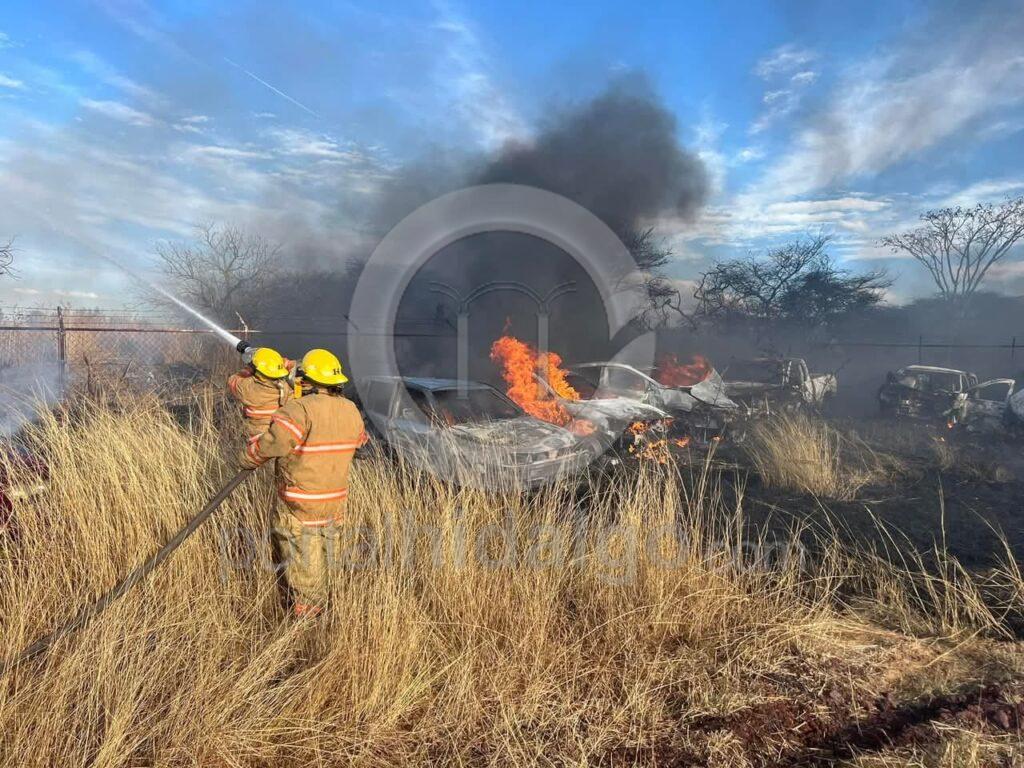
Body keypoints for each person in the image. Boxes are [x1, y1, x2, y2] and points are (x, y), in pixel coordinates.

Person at [240, 348, 366, 617]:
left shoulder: (298, 410)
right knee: (325, 564)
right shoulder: (351, 410)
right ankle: (326, 616)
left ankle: (306, 633)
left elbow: (271, 445)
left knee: (303, 572)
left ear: (306, 379)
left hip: (299, 506)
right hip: (334, 504)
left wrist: (246, 458)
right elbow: (358, 442)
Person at [227, 346, 293, 439]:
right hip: (282, 434)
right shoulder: (288, 387)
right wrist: (275, 361)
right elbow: (295, 366)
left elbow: (232, 380)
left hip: (257, 437)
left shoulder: (249, 388)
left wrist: (249, 369)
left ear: (257, 370)